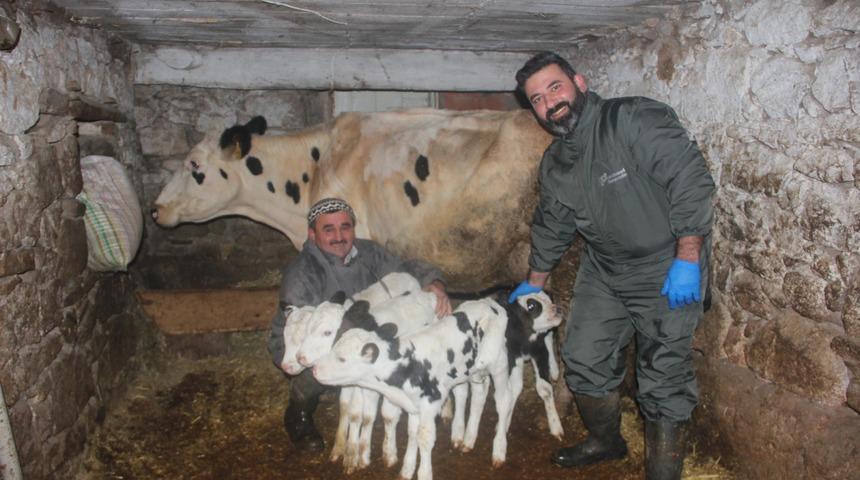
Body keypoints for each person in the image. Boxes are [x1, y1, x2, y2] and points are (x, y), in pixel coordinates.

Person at [509, 51, 715, 480]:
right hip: (604, 269)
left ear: (580, 83)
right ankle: (607, 440)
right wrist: (534, 284)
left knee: (662, 374)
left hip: (666, 264)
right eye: (537, 99)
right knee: (583, 356)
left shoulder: (632, 119)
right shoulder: (557, 162)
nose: (549, 102)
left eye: (555, 87)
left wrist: (688, 256)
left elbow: (688, 176)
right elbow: (552, 225)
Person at [267, 197, 452, 451]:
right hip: (303, 342)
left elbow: (404, 268)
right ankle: (298, 413)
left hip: (359, 330)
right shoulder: (302, 274)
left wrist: (434, 284)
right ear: (312, 235)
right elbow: (300, 333)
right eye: (328, 229)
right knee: (313, 356)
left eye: (345, 227)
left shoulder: (369, 252)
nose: (339, 236)